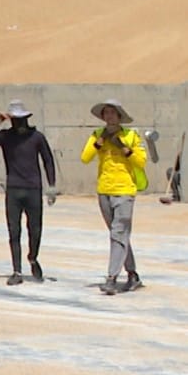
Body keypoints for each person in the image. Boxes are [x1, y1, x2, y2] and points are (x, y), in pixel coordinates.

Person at [0, 99, 57, 285]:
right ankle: (17, 271)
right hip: (14, 189)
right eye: (14, 119)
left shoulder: (36, 137)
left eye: (21, 119)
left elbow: (48, 160)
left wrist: (51, 186)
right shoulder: (5, 136)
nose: (18, 123)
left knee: (35, 229)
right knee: (14, 231)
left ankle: (33, 257)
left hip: (33, 189)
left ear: (27, 118)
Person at [80, 98, 147, 294]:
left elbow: (141, 162)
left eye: (112, 112)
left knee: (118, 233)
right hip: (104, 190)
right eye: (106, 113)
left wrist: (124, 148)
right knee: (118, 234)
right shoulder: (97, 135)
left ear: (119, 116)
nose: (108, 116)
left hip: (124, 190)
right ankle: (132, 274)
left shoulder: (131, 135)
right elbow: (85, 158)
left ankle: (112, 277)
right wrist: (100, 142)